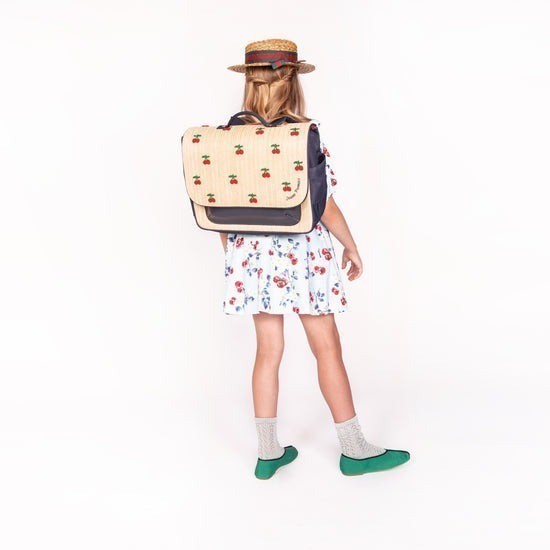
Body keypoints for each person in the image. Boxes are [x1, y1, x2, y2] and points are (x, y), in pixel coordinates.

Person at [221, 38, 410, 479]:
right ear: (293, 82)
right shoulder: (302, 134)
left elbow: (221, 203)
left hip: (250, 255)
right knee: (327, 348)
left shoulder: (228, 137)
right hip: (303, 255)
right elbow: (323, 204)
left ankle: (268, 453)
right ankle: (355, 450)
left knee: (267, 351)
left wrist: (235, 253)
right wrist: (351, 245)